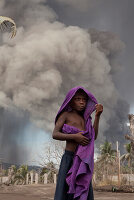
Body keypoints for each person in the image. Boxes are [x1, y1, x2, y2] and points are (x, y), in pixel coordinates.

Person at [53, 86, 103, 200]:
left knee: (82, 189)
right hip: (69, 158)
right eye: (78, 99)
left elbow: (93, 136)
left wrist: (97, 116)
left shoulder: (86, 118)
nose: (82, 102)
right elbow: (55, 134)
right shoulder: (65, 115)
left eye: (84, 100)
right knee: (64, 191)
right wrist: (75, 137)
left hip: (82, 161)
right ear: (71, 101)